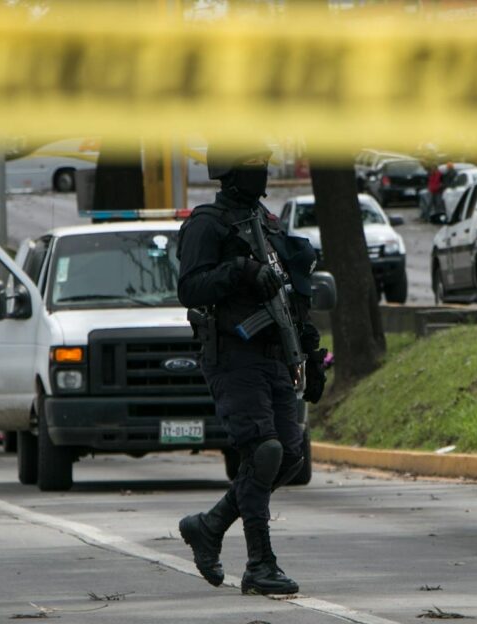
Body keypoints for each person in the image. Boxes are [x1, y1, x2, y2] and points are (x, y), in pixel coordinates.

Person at [176, 142, 327, 596]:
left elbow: (291, 297)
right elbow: (190, 288)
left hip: (274, 354)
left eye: (263, 165)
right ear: (229, 170)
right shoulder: (207, 224)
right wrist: (239, 271)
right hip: (234, 354)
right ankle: (260, 563)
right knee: (263, 451)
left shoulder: (267, 223)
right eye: (252, 166)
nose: (261, 173)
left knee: (290, 456)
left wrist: (310, 352)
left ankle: (210, 525)